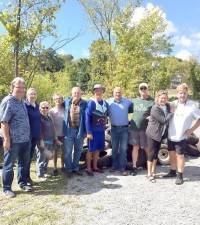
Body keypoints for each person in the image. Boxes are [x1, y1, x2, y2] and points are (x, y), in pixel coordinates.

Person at [0, 77, 32, 198]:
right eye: (19, 87)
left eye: (23, 87)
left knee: (23, 163)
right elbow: (4, 122)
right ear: (12, 87)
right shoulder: (8, 101)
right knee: (9, 165)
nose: (21, 89)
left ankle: (22, 183)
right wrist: (7, 139)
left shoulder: (22, 101)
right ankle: (7, 188)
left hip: (25, 139)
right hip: (13, 141)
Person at [164, 83, 200, 185]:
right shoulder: (173, 104)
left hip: (181, 136)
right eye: (180, 93)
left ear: (187, 93)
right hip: (171, 134)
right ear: (177, 94)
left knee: (180, 156)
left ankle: (180, 175)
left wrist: (191, 129)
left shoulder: (192, 105)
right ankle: (172, 171)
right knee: (171, 154)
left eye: (184, 93)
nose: (182, 95)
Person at [146, 90, 173, 182]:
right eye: (161, 98)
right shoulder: (155, 108)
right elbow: (163, 120)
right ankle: (149, 174)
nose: (163, 100)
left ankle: (153, 171)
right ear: (158, 98)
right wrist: (172, 114)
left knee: (156, 153)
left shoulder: (167, 106)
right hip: (153, 134)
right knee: (151, 153)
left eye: (165, 98)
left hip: (160, 134)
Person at [129, 83, 154, 176]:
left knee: (147, 148)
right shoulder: (134, 101)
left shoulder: (152, 101)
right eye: (141, 88)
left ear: (148, 89)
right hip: (134, 128)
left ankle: (150, 166)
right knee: (135, 147)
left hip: (146, 129)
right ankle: (134, 166)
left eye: (145, 88)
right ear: (139, 90)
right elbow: (127, 110)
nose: (143, 90)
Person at [107, 87, 133, 176]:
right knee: (114, 149)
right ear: (113, 93)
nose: (118, 94)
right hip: (113, 129)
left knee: (123, 149)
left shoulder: (127, 102)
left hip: (124, 129)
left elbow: (136, 106)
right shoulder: (108, 102)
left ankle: (122, 168)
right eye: (116, 92)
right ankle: (114, 166)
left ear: (122, 93)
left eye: (119, 92)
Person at [63, 87, 87, 177]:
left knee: (78, 150)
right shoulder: (66, 101)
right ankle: (68, 169)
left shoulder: (85, 103)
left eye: (78, 93)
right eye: (74, 93)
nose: (76, 94)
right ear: (71, 93)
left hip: (80, 130)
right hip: (68, 129)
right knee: (68, 151)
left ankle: (75, 168)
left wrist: (86, 131)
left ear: (81, 93)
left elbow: (87, 118)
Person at [85, 84, 109, 176]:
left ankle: (95, 167)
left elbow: (107, 115)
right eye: (96, 90)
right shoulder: (91, 102)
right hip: (93, 131)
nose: (98, 92)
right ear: (94, 92)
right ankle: (88, 168)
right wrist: (89, 132)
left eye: (100, 90)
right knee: (90, 150)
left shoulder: (105, 103)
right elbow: (87, 118)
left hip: (101, 130)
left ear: (102, 91)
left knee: (98, 149)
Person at [36, 101, 60, 179]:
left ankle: (44, 172)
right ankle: (40, 174)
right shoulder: (38, 118)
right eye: (43, 107)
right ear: (40, 108)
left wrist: (55, 139)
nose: (45, 109)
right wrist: (41, 141)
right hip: (42, 142)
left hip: (50, 141)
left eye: (47, 107)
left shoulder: (49, 117)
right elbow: (39, 131)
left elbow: (53, 129)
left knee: (47, 158)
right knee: (41, 158)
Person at [25, 88, 41, 186]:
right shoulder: (25, 106)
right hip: (27, 136)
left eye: (34, 94)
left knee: (30, 157)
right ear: (27, 95)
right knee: (25, 158)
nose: (33, 96)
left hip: (35, 136)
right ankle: (25, 179)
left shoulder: (37, 106)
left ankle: (28, 177)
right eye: (31, 94)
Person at [49, 94, 65, 176]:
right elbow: (51, 124)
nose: (58, 100)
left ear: (62, 100)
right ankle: (55, 168)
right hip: (55, 135)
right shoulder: (51, 111)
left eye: (60, 99)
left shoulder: (65, 109)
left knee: (63, 152)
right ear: (54, 100)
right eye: (56, 99)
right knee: (55, 152)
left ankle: (63, 166)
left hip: (64, 134)